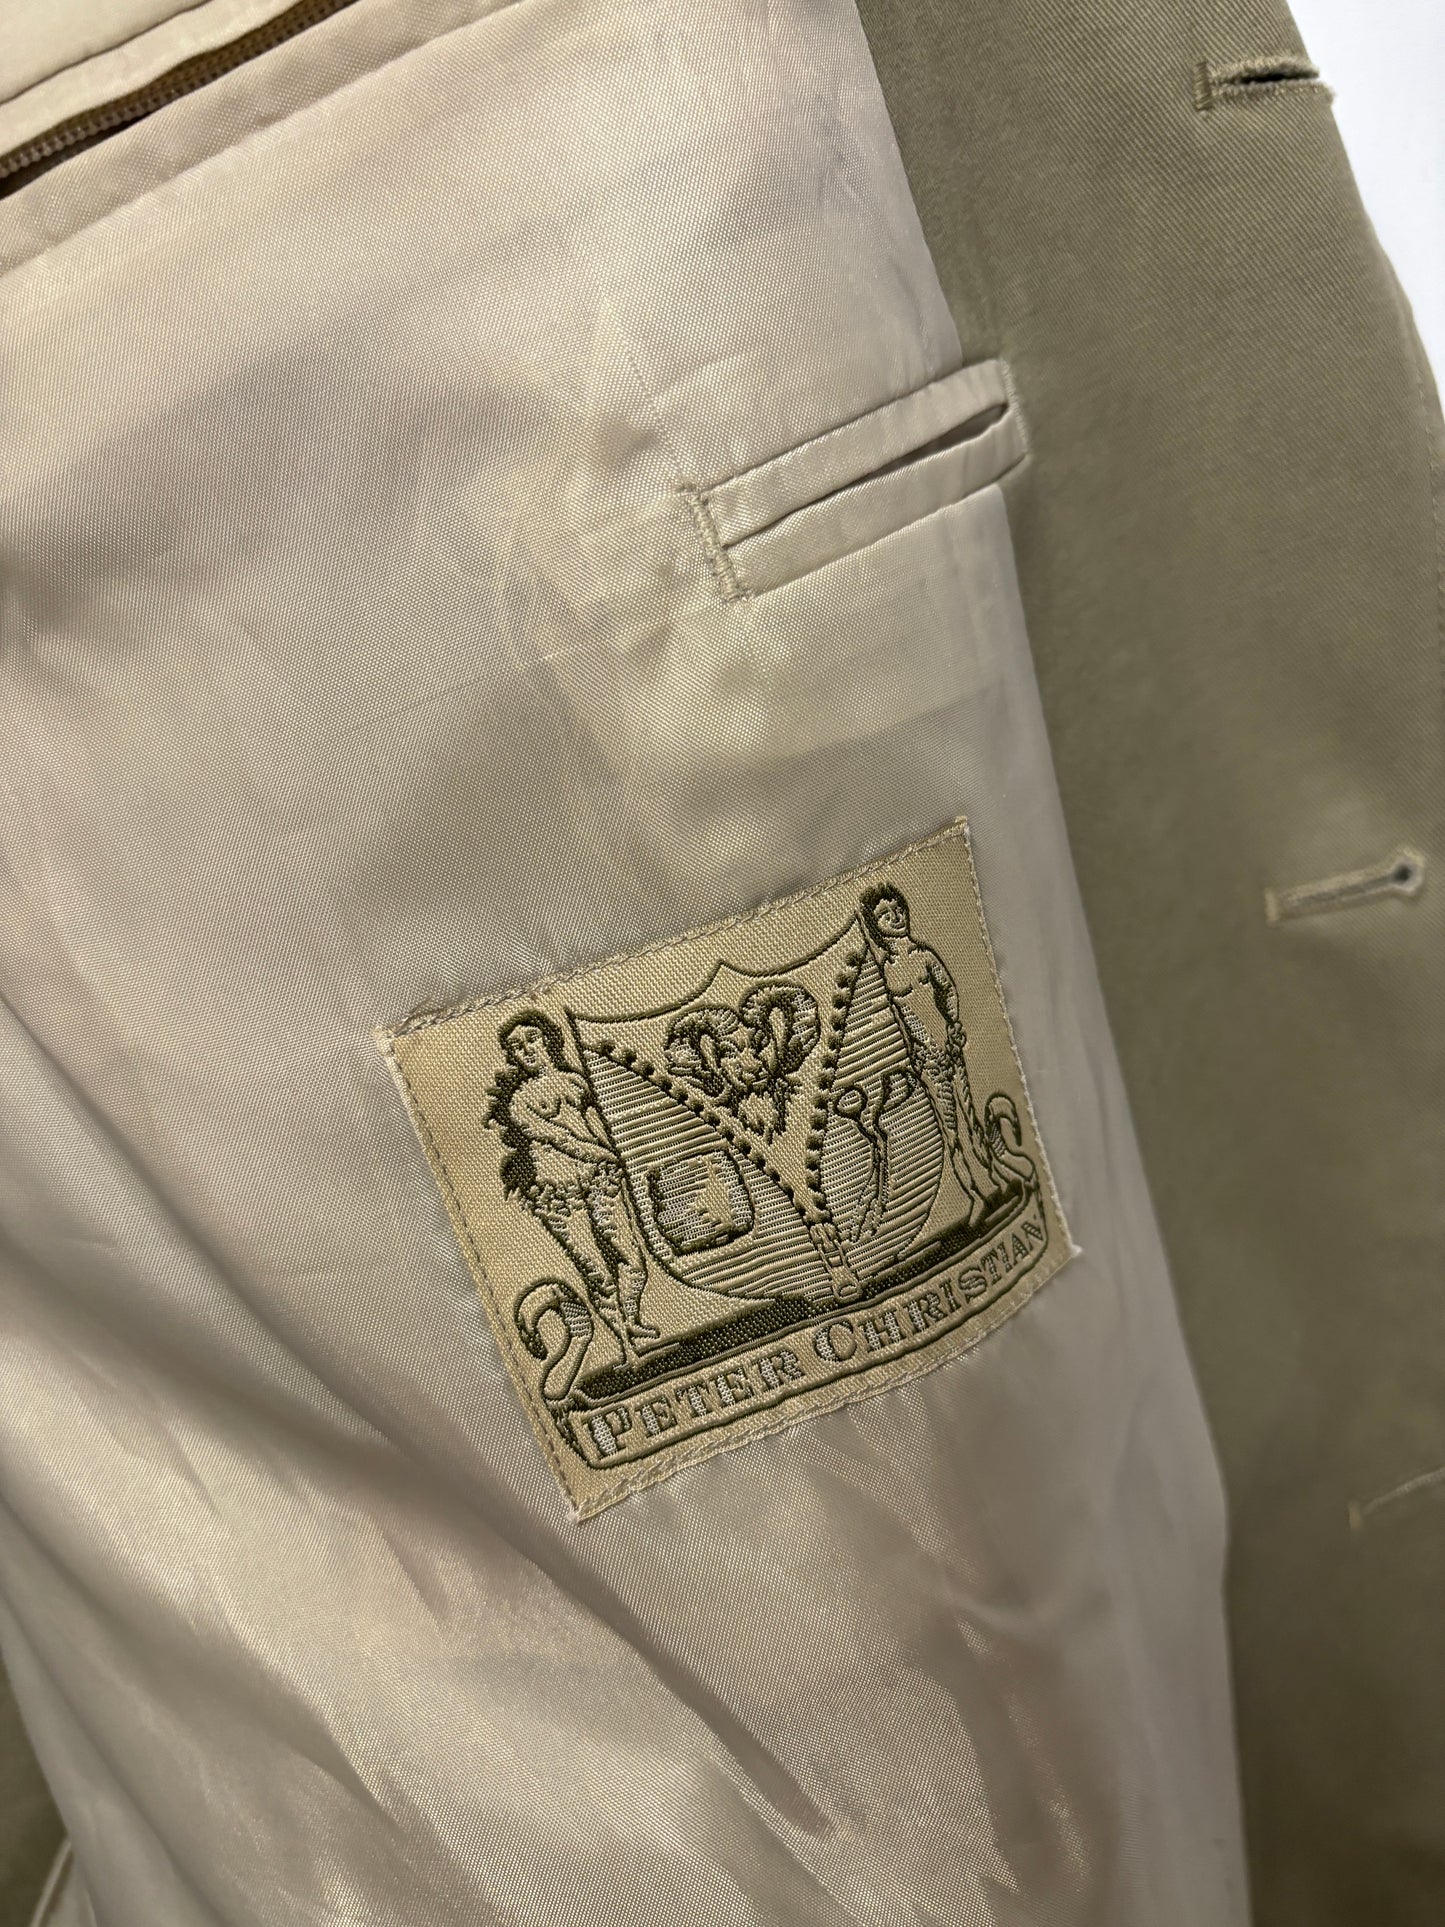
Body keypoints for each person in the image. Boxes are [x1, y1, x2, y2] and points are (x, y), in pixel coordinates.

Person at [488, 1013, 659, 1356]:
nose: (527, 1050)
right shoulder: (519, 1101)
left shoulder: (577, 1082)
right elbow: (559, 1138)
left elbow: (597, 1126)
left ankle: (632, 1320)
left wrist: (618, 1156)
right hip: (558, 1194)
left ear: (549, 1040)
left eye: (532, 1039)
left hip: (601, 1179)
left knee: (633, 1261)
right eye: (517, 1047)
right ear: (513, 1056)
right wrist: (605, 1154)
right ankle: (624, 1344)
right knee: (597, 1272)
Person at [859, 885, 1004, 1226]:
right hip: (927, 1061)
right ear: (876, 927)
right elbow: (898, 1020)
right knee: (951, 1131)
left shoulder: (924, 956)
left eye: (897, 908)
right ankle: (975, 1196)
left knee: (970, 1118)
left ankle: (996, 1176)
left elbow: (948, 990)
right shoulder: (884, 973)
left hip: (949, 1048)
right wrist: (916, 1052)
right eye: (884, 915)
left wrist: (953, 1025)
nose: (895, 917)